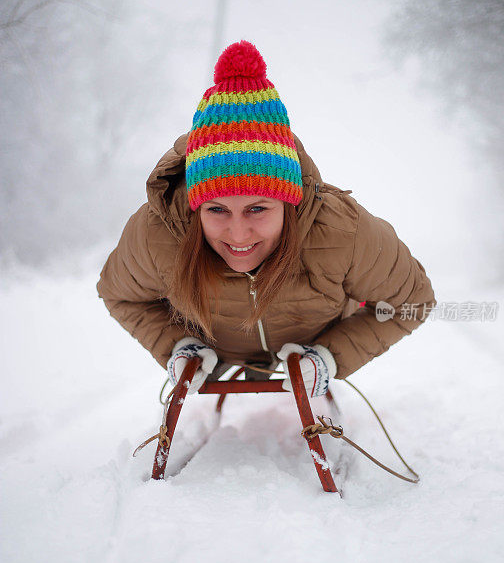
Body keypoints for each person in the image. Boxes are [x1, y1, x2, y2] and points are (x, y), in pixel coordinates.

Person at [96, 40, 436, 398]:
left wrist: (330, 357)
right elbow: (120, 295)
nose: (238, 232)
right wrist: (179, 345)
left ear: (289, 203)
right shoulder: (158, 232)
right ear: (195, 207)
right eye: (216, 209)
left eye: (257, 208)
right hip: (216, 344)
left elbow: (412, 302)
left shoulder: (342, 230)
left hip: (311, 337)